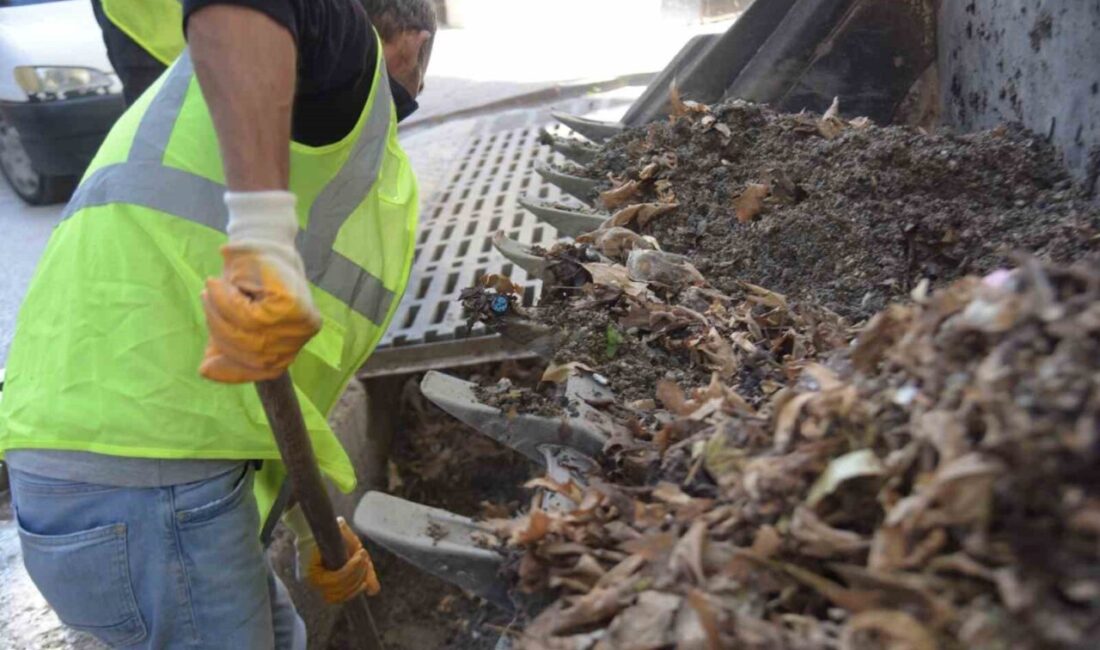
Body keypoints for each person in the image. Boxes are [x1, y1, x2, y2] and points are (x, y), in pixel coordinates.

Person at [0, 0, 435, 647]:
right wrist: (262, 237)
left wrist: (306, 518)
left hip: (123, 474)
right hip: (145, 475)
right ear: (415, 43)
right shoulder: (347, 56)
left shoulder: (263, 95)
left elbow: (263, 367)